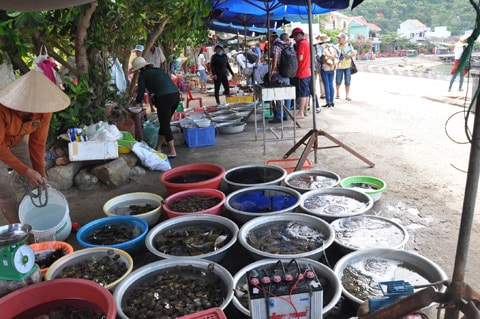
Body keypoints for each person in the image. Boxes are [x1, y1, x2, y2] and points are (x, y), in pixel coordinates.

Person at [0, 70, 70, 224]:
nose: (36, 110)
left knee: (37, 178)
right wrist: (25, 171)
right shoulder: (2, 109)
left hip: (16, 140)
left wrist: (40, 174)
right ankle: (21, 234)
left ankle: (38, 223)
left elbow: (37, 143)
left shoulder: (44, 111)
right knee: (4, 188)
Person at [132, 57, 180, 158]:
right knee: (164, 123)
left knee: (165, 124)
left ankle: (172, 151)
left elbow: (140, 95)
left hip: (164, 98)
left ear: (139, 69)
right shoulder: (157, 70)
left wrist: (135, 104)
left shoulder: (143, 75)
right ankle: (158, 148)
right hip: (176, 95)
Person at [269, 32, 292, 123]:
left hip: (279, 73)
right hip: (287, 72)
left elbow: (275, 60)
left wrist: (272, 72)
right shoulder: (286, 45)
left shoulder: (276, 46)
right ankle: (286, 114)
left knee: (279, 94)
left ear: (272, 37)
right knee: (287, 95)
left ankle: (279, 116)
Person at [290, 27, 311, 119]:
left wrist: (293, 57)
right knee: (306, 92)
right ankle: (305, 111)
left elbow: (300, 58)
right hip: (307, 71)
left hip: (302, 71)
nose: (294, 39)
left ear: (298, 35)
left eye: (294, 37)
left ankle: (301, 112)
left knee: (302, 93)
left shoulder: (301, 44)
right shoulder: (306, 42)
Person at [316, 34, 340, 108]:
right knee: (331, 84)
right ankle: (332, 101)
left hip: (324, 67)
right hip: (332, 67)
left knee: (326, 85)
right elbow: (338, 53)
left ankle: (328, 102)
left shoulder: (320, 47)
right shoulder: (332, 46)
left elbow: (318, 56)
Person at [335, 33, 356, 101]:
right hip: (339, 66)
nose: (338, 40)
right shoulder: (336, 46)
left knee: (347, 81)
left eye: (340, 38)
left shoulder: (348, 45)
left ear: (344, 39)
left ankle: (347, 96)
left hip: (347, 66)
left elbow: (354, 53)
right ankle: (337, 93)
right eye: (338, 38)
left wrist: (348, 55)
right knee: (338, 81)